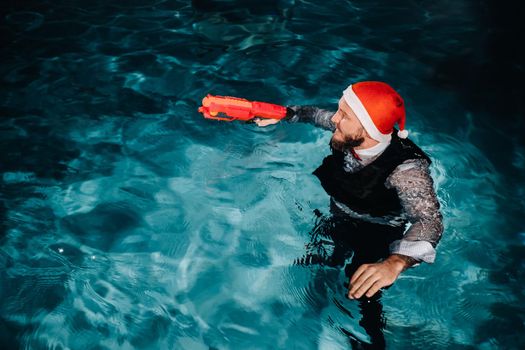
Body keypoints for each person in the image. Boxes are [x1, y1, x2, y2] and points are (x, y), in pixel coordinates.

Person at [255, 81, 444, 300]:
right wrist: (283, 114)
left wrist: (396, 262)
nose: (334, 119)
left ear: (368, 129)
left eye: (344, 115)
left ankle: (368, 328)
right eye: (339, 110)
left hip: (377, 229)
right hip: (341, 212)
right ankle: (323, 278)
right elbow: (314, 114)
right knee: (330, 255)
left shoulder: (406, 171)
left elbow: (429, 221)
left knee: (362, 290)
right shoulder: (350, 130)